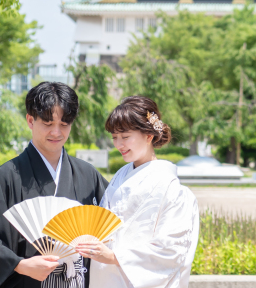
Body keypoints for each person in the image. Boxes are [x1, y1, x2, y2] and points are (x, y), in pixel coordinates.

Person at [0, 82, 109, 288]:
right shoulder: (9, 176)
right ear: (30, 120)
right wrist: (20, 265)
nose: (56, 132)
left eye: (64, 124)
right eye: (47, 123)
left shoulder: (87, 175)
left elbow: (111, 224)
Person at [77, 96, 199, 288]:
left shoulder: (171, 188)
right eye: (115, 137)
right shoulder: (120, 175)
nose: (118, 145)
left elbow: (171, 250)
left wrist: (114, 256)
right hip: (105, 278)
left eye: (125, 137)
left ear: (148, 136)